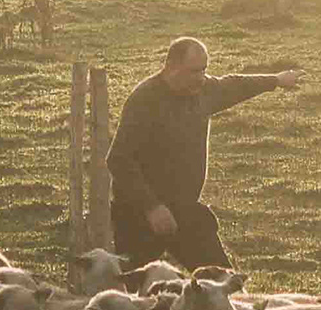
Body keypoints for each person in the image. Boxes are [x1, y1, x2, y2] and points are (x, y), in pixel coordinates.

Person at [104, 36, 298, 271]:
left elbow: (234, 85)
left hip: (184, 211)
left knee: (222, 283)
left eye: (204, 69)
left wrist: (276, 80)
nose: (201, 77)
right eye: (194, 71)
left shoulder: (202, 91)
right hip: (138, 216)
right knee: (131, 294)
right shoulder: (145, 100)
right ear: (171, 67)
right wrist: (151, 207)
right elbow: (119, 159)